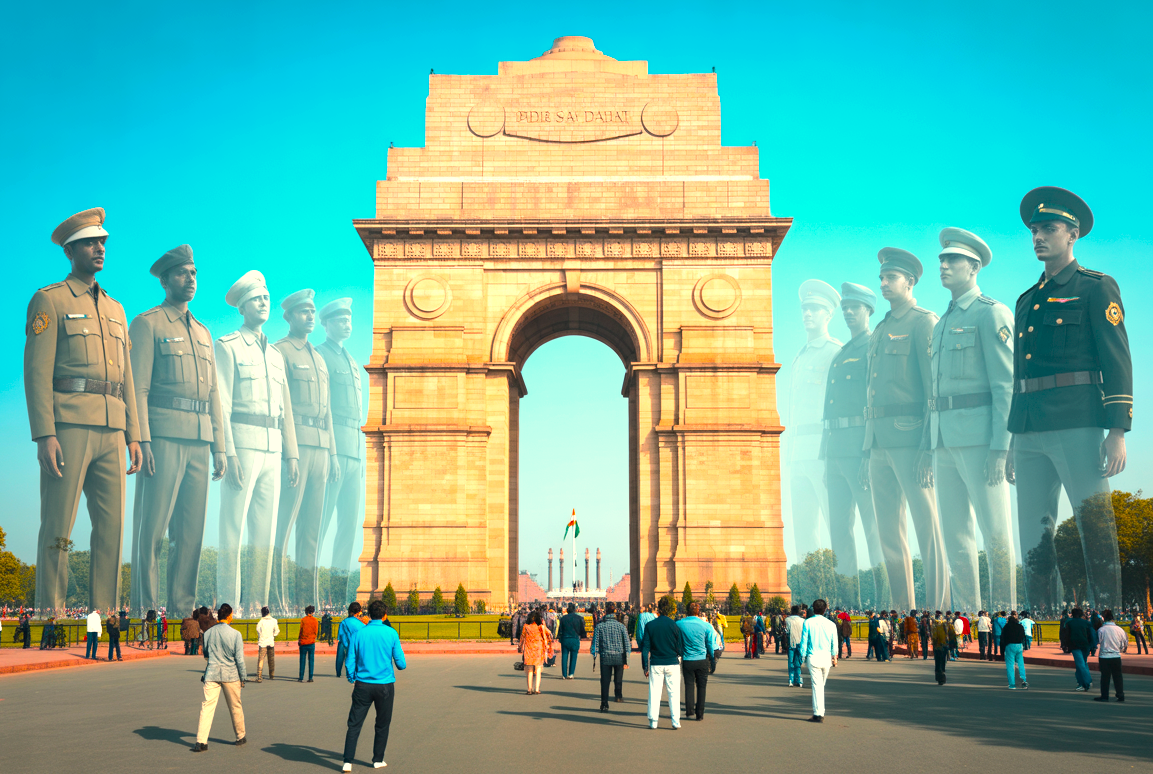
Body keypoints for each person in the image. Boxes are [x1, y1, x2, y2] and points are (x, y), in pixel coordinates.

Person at [1008, 188, 1129, 612]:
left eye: (1049, 228)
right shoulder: (1026, 300)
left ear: (1072, 234)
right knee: (1033, 531)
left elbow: (1116, 359)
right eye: (1034, 230)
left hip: (1078, 421)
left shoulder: (1096, 287)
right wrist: (1013, 439)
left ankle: (1109, 615)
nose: (1039, 237)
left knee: (1093, 524)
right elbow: (1020, 376)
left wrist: (1117, 430)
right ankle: (1041, 617)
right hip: (1029, 430)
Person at [25, 207, 142, 612]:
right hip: (69, 425)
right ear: (69, 251)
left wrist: (135, 434)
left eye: (102, 242)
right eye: (90, 242)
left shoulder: (117, 309)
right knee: (59, 525)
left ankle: (104, 615)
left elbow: (127, 378)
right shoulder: (50, 300)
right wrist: (45, 434)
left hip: (113, 429)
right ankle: (51, 613)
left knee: (111, 529)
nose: (100, 248)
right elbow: (36, 373)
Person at [128, 245, 226, 619]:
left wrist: (220, 446)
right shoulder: (148, 324)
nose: (190, 279)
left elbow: (214, 394)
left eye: (194, 273)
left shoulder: (203, 332)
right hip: (163, 437)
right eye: (183, 273)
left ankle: (184, 613)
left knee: (190, 537)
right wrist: (142, 439)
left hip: (200, 439)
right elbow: (138, 388)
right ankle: (144, 612)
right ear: (165, 280)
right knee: (152, 532)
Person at [863, 248, 950, 611]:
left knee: (927, 528)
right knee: (889, 535)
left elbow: (934, 390)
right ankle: (904, 614)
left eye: (891, 277)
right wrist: (867, 446)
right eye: (881, 278)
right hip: (878, 441)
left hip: (911, 438)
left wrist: (929, 447)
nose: (884, 283)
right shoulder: (881, 328)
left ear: (910, 281)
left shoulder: (923, 322)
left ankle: (940, 611)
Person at [215, 270, 299, 615]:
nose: (263, 303)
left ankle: (257, 605)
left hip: (273, 447)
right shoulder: (228, 346)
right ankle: (229, 605)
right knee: (232, 529)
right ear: (242, 307)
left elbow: (286, 410)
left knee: (264, 532)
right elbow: (221, 403)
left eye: (266, 297)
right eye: (256, 299)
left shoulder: (276, 355)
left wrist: (292, 455)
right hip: (243, 444)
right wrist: (228, 451)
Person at [271, 289, 337, 614]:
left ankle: (306, 602)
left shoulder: (319, 357)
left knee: (311, 532)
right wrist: (290, 453)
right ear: (288, 316)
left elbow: (328, 412)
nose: (310, 316)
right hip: (296, 446)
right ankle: (276, 597)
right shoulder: (279, 351)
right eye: (303, 311)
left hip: (322, 448)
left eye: (312, 311)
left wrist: (334, 454)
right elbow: (281, 407)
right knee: (284, 528)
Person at [824, 283, 887, 599]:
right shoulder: (842, 353)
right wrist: (827, 455)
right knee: (839, 532)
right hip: (836, 450)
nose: (848, 312)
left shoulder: (873, 347)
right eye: (845, 307)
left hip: (860, 449)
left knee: (874, 529)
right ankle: (849, 601)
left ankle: (886, 599)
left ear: (868, 310)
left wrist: (869, 452)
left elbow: (877, 402)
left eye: (855, 307)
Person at [315, 299, 365, 600]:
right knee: (320, 524)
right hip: (334, 450)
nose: (347, 324)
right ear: (326, 324)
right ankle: (309, 590)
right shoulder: (320, 355)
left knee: (347, 527)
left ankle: (336, 594)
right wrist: (332, 453)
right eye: (340, 320)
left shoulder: (352, 360)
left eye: (349, 320)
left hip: (354, 451)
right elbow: (325, 410)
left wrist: (358, 457)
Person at [343, 599, 406, 771]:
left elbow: (350, 660)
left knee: (354, 724)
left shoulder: (358, 634)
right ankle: (378, 759)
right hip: (384, 684)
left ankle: (347, 761)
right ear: (385, 615)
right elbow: (401, 664)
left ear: (369, 614)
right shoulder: (391, 633)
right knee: (382, 724)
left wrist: (352, 678)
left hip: (362, 684)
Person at [192, 603, 246, 752]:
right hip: (231, 674)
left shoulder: (208, 633)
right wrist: (243, 677)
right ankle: (240, 736)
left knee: (207, 707)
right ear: (229, 616)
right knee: (235, 706)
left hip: (212, 673)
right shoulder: (236, 634)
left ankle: (201, 741)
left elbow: (206, 654)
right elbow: (239, 659)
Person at [641, 596, 684, 730]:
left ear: (658, 609)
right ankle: (675, 721)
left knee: (654, 693)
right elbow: (680, 648)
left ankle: (653, 721)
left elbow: (645, 648)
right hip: (672, 662)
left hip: (656, 663)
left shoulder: (650, 625)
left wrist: (645, 667)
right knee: (674, 693)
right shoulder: (674, 625)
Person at [799, 599, 838, 722]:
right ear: (825, 609)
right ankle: (820, 712)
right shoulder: (831, 624)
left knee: (817, 686)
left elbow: (804, 641)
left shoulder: (808, 623)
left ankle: (818, 714)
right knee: (820, 686)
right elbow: (835, 642)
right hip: (826, 657)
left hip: (813, 656)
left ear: (813, 609)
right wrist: (834, 656)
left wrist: (802, 656)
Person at [676, 602, 715, 721]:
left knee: (689, 684)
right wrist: (712, 658)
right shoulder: (706, 625)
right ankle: (700, 713)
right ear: (698, 611)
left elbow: (677, 642)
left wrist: (681, 651)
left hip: (687, 659)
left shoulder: (679, 624)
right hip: (702, 659)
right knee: (702, 686)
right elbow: (710, 644)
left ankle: (689, 710)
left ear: (687, 610)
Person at [591, 601, 630, 711]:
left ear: (606, 612)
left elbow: (595, 643)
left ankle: (604, 704)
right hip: (619, 655)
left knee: (605, 680)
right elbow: (627, 643)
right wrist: (627, 658)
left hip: (605, 656)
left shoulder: (600, 626)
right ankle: (618, 696)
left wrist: (594, 654)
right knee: (618, 678)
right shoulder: (621, 626)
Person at [1094, 609, 1126, 702]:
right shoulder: (1120, 630)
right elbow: (1124, 643)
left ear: (1103, 618)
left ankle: (1104, 695)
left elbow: (1098, 641)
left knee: (1105, 677)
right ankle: (1120, 694)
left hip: (1104, 656)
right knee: (1118, 676)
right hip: (1116, 655)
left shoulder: (1101, 630)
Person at [518, 609, 552, 695]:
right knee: (538, 669)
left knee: (529, 670)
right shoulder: (540, 627)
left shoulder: (526, 626)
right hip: (538, 650)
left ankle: (529, 689)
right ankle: (537, 689)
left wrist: (520, 647)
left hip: (529, 650)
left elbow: (522, 637)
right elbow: (548, 634)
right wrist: (547, 646)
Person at [1065, 608, 1098, 691]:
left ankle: (1086, 683)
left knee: (1080, 665)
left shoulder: (1069, 623)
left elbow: (1066, 635)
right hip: (1085, 645)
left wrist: (1066, 646)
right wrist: (1092, 645)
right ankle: (1081, 682)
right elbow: (1092, 635)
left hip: (1075, 645)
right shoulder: (1087, 623)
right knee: (1083, 663)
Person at [336, 602, 366, 678]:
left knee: (340, 658)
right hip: (355, 643)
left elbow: (341, 634)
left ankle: (338, 672)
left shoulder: (344, 622)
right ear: (358, 612)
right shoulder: (360, 624)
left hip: (344, 643)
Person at [557, 603, 585, 680]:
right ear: (575, 610)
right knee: (574, 656)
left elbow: (560, 630)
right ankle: (571, 674)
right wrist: (583, 636)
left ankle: (564, 674)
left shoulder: (563, 618)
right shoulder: (579, 618)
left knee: (564, 656)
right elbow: (582, 629)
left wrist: (559, 638)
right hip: (575, 638)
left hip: (565, 638)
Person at [1000, 613, 1028, 689]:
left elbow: (1002, 639)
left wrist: (1002, 651)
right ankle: (1023, 681)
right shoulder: (1020, 626)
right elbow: (1023, 636)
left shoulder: (1006, 627)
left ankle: (1012, 684)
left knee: (1010, 665)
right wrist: (1024, 646)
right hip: (1019, 645)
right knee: (1021, 664)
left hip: (1010, 645)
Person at [255, 606, 279, 682]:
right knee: (271, 659)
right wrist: (272, 635)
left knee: (261, 659)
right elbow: (277, 631)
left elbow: (258, 630)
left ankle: (259, 675)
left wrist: (262, 635)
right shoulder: (274, 621)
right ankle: (272, 675)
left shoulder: (261, 621)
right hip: (271, 642)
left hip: (263, 642)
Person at [930, 611, 953, 685]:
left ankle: (939, 676)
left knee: (938, 661)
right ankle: (942, 674)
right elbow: (951, 634)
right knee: (943, 660)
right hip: (944, 645)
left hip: (938, 646)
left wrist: (934, 643)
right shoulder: (947, 624)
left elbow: (934, 637)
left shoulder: (935, 626)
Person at [785, 605, 806, 685]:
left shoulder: (787, 620)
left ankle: (791, 679)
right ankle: (799, 679)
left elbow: (787, 631)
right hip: (800, 643)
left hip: (791, 642)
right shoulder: (803, 621)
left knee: (791, 661)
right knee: (798, 662)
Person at [298, 605, 318, 682]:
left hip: (303, 642)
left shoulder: (303, 620)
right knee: (311, 660)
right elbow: (316, 631)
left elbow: (301, 631)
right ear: (313, 612)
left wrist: (299, 640)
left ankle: (301, 677)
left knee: (302, 660)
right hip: (311, 642)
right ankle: (310, 677)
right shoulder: (315, 620)